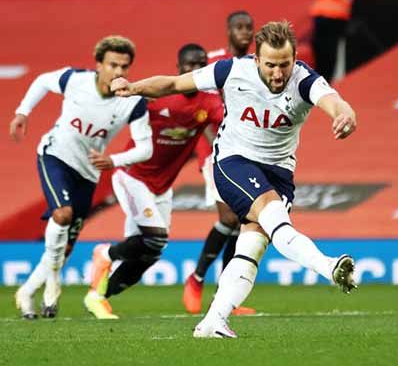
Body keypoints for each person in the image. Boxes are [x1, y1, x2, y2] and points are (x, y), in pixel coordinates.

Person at [111, 21, 358, 338]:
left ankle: (213, 321)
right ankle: (328, 266)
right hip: (233, 161)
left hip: (279, 171)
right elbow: (174, 85)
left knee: (252, 245)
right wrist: (133, 87)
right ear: (257, 60)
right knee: (274, 217)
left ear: (295, 59)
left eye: (284, 64)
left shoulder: (305, 79)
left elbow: (335, 102)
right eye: (270, 65)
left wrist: (345, 114)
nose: (278, 74)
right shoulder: (231, 70)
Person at [10, 36, 152, 319]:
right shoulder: (75, 79)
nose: (119, 73)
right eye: (113, 65)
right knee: (62, 215)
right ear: (99, 65)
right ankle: (52, 287)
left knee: (63, 248)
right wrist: (22, 112)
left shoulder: (133, 102)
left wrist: (113, 160)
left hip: (87, 174)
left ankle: (26, 292)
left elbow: (145, 148)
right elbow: (41, 81)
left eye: (124, 67)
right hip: (55, 156)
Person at [82, 43, 226, 319]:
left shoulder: (208, 103)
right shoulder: (158, 96)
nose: (195, 70)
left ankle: (97, 296)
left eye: (201, 65)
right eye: (190, 65)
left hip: (161, 187)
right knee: (154, 235)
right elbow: (118, 106)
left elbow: (230, 122)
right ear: (178, 68)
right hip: (132, 176)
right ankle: (105, 254)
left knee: (151, 252)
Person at [184, 10, 257, 316]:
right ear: (228, 31)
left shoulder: (259, 64)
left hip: (247, 151)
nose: (244, 32)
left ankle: (225, 297)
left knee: (242, 223)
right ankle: (196, 278)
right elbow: (191, 96)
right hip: (213, 150)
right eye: (238, 27)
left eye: (248, 28)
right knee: (228, 219)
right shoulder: (212, 62)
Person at [309, 0, 354, 82]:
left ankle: (329, 78)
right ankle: (319, 75)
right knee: (318, 48)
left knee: (332, 51)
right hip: (320, 20)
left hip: (336, 22)